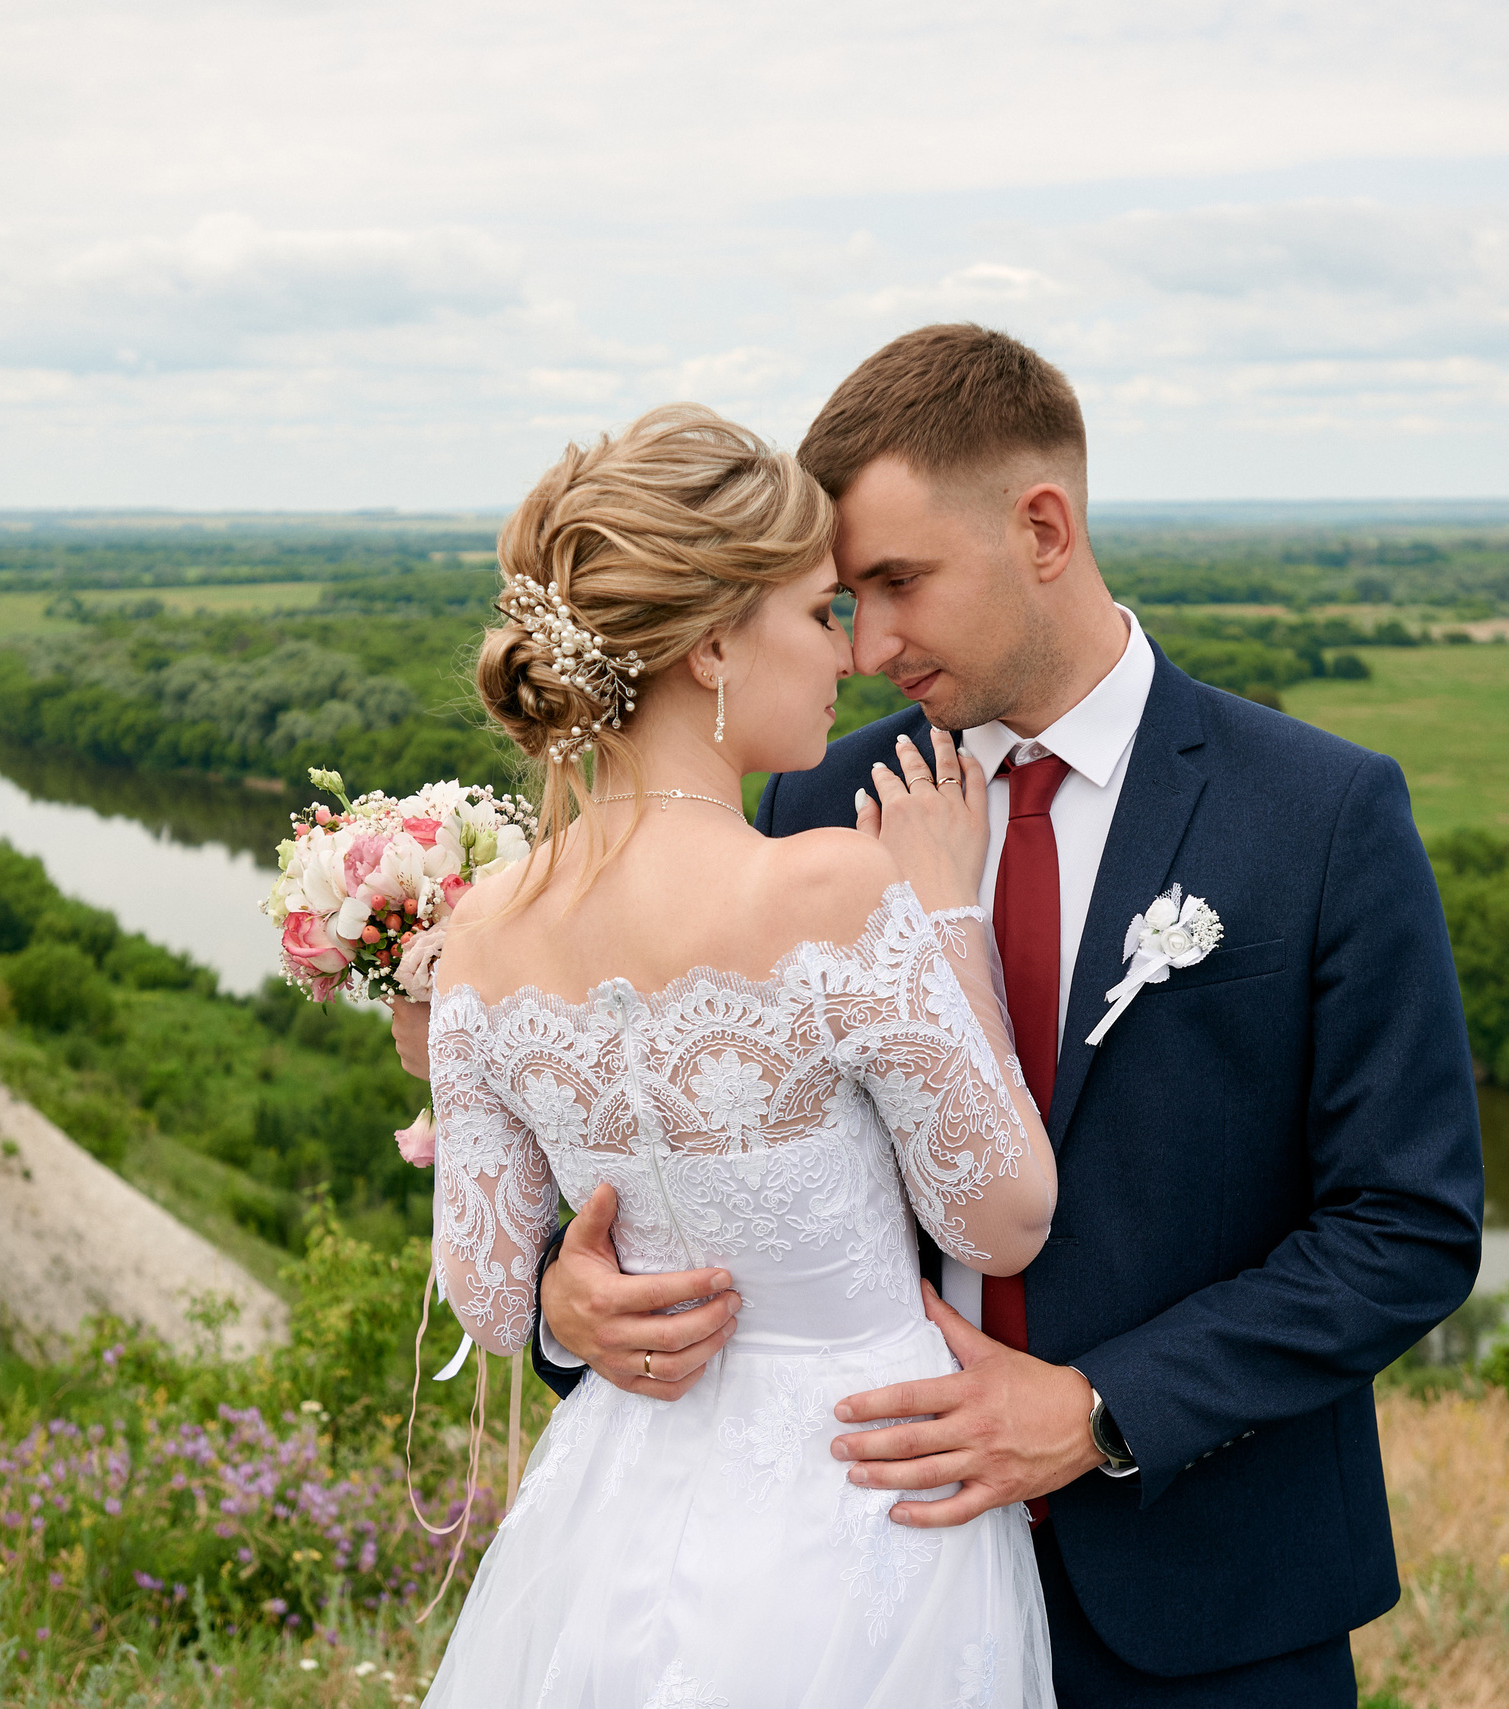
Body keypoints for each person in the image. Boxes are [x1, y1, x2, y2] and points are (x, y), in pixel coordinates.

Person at [518, 328, 1486, 1706]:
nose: (873, 645)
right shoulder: (800, 805)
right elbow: (679, 1112)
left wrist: (1099, 1409)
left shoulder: (1321, 815)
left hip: (1208, 1603)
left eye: (903, 583)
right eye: (844, 600)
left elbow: (1410, 1225)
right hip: (858, 1586)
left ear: (1044, 527)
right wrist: (573, 1296)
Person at [416, 403, 1062, 1707]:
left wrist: (572, 1294)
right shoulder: (830, 883)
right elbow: (1004, 1218)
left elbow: (489, 1294)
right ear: (715, 640)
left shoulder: (480, 935)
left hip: (618, 1501)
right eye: (819, 610)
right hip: (864, 1505)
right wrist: (944, 908)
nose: (850, 652)